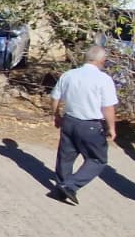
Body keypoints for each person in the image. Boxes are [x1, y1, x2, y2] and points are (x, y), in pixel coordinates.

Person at [48, 45, 118, 205]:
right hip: (91, 125)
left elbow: (54, 96)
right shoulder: (103, 79)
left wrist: (56, 115)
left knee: (65, 157)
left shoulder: (69, 75)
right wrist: (111, 127)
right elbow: (107, 107)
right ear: (102, 61)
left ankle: (61, 187)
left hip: (70, 121)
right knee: (97, 159)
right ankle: (69, 185)